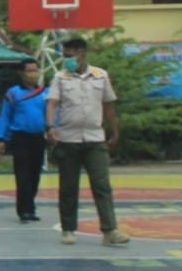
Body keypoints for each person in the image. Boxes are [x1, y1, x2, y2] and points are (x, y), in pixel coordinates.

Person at [45, 36, 130, 247]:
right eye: (64, 56)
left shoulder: (100, 76)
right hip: (68, 139)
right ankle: (68, 229)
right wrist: (50, 126)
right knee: (68, 186)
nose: (67, 60)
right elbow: (52, 104)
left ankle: (110, 230)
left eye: (70, 55)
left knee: (102, 185)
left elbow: (109, 105)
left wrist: (114, 131)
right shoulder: (60, 77)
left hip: (95, 138)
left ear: (82, 54)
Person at [0, 59, 48, 223]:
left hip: (39, 137)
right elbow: (5, 116)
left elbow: (53, 114)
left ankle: (30, 207)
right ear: (21, 73)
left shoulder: (45, 93)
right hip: (20, 138)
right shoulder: (13, 93)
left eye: (35, 70)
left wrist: (54, 130)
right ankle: (23, 210)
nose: (33, 74)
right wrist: (0, 138)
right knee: (23, 175)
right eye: (29, 71)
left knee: (35, 174)